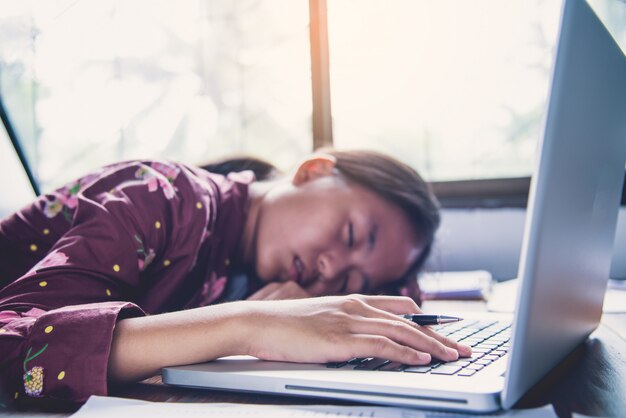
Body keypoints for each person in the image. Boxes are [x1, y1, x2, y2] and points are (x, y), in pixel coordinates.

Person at [0, 149, 471, 409]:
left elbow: (391, 298)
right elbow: (14, 348)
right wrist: (247, 322)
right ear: (315, 170)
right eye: (350, 234)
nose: (330, 270)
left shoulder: (266, 276)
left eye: (352, 278)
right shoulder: (164, 195)